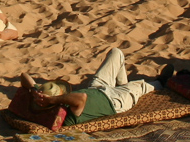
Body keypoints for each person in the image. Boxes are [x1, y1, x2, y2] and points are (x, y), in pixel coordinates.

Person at [20, 47, 161, 126]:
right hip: (114, 101)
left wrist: (34, 89)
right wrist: (53, 100)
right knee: (141, 86)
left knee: (116, 53)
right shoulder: (67, 116)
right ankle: (162, 82)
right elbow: (81, 98)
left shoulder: (42, 98)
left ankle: (122, 85)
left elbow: (23, 76)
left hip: (97, 88)